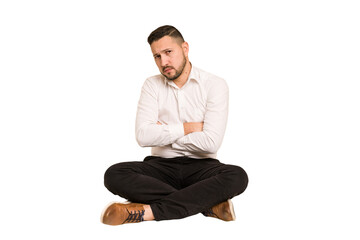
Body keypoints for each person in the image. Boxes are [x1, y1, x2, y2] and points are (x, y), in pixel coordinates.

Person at [101, 25, 248, 225]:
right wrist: (189, 128)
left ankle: (146, 212)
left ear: (185, 48)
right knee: (114, 174)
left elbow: (211, 143)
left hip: (202, 169)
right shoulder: (151, 85)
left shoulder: (215, 84)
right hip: (160, 169)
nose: (164, 62)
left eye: (168, 52)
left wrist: (164, 134)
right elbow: (143, 136)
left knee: (237, 176)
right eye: (157, 56)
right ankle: (207, 204)